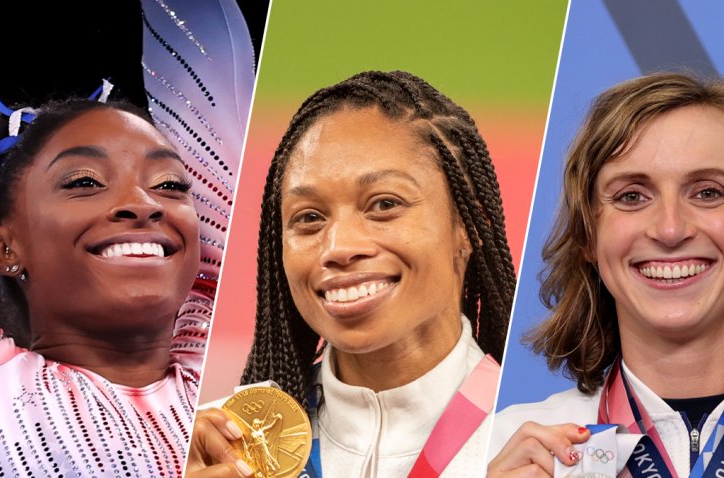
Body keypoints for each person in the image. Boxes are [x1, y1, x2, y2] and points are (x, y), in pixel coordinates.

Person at [187, 70, 517, 478]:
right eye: (309, 217)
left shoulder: (532, 439)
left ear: (469, 223)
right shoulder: (212, 450)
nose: (339, 247)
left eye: (383, 205)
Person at [488, 72, 724, 477]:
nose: (670, 229)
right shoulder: (500, 448)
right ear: (588, 236)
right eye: (632, 196)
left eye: (708, 192)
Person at [0, 94, 213, 475]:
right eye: (86, 181)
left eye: (170, 184)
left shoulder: (235, 363)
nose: (143, 203)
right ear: (7, 249)